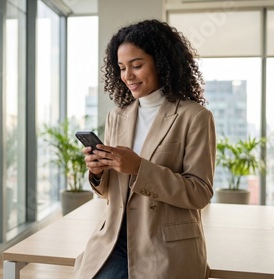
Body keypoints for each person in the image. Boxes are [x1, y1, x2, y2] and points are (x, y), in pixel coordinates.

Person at [73, 19, 216, 279]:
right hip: (114, 238)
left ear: (161, 62)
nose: (128, 76)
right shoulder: (117, 116)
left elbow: (200, 193)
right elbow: (109, 193)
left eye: (137, 65)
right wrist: (97, 172)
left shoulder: (195, 117)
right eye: (122, 67)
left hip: (163, 245)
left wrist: (139, 168)